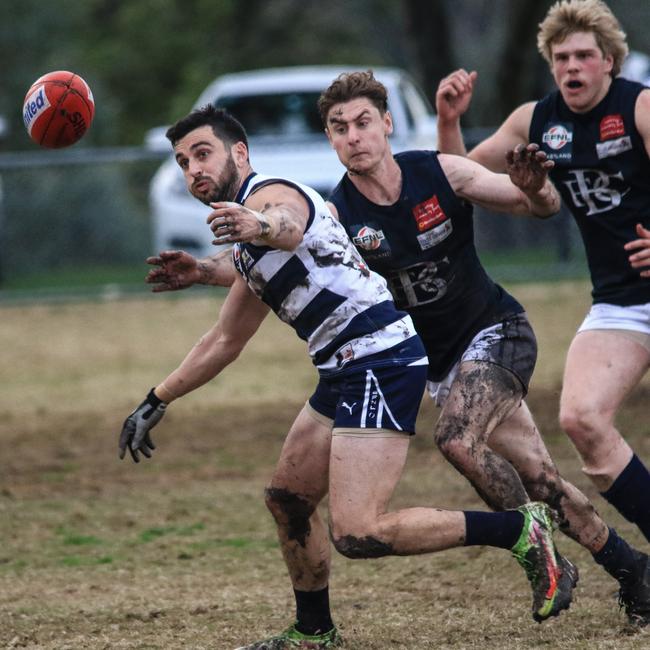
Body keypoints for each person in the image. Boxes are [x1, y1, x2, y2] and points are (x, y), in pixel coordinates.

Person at [148, 70, 650, 629]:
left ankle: (534, 547)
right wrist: (207, 269)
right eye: (339, 128)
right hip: (427, 357)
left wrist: (533, 186)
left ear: (386, 124)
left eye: (364, 123)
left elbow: (539, 206)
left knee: (458, 440)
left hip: (492, 331)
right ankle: (633, 571)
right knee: (541, 477)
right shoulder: (337, 212)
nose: (353, 136)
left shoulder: (436, 170)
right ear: (330, 140)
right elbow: (284, 254)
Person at [435, 0, 650, 547]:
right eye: (561, 58)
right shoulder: (536, 121)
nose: (572, 67)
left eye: (584, 56)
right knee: (582, 420)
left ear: (609, 62)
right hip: (621, 303)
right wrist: (449, 121)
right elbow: (457, 180)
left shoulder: (639, 107)